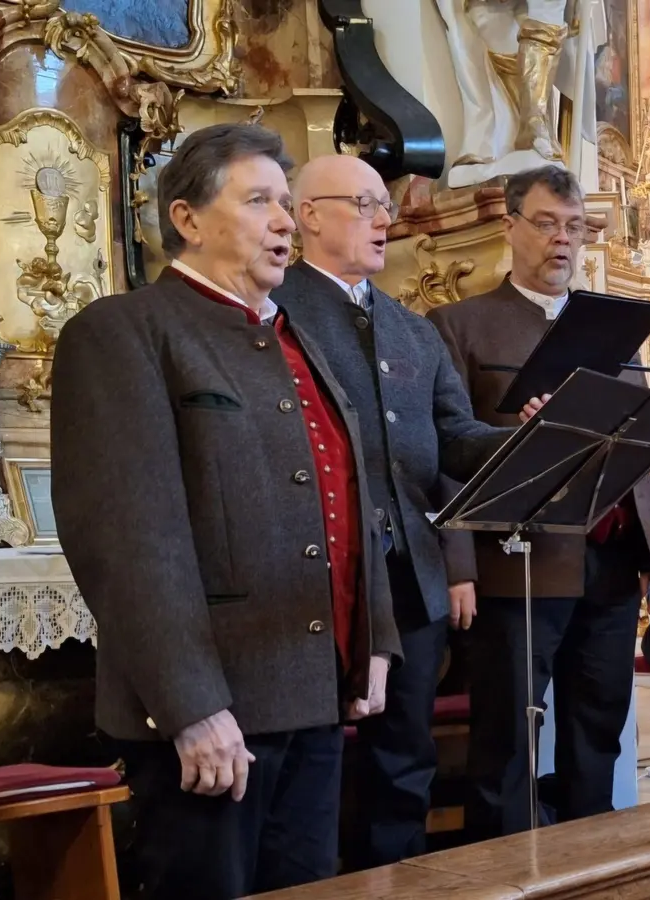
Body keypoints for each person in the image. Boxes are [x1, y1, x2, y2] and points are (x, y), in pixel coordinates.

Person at [51, 124, 403, 898]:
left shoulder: (297, 338)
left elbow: (353, 490)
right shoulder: (126, 332)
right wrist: (192, 707)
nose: (284, 220)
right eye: (258, 202)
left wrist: (371, 635)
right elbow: (130, 540)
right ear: (188, 218)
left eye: (285, 202)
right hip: (217, 713)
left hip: (310, 694)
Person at [271, 154, 511, 866]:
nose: (387, 220)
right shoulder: (277, 311)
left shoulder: (413, 329)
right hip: (321, 573)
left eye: (387, 205)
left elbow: (455, 439)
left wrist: (531, 442)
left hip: (410, 575)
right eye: (366, 204)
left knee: (405, 757)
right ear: (308, 214)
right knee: (307, 761)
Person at [425, 165, 650, 838]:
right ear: (509, 227)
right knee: (507, 741)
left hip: (611, 562)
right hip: (517, 568)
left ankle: (591, 867)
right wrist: (459, 565)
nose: (561, 241)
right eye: (545, 224)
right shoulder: (461, 325)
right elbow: (445, 448)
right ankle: (502, 876)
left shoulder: (611, 328)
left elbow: (641, 446)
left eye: (573, 227)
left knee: (599, 729)